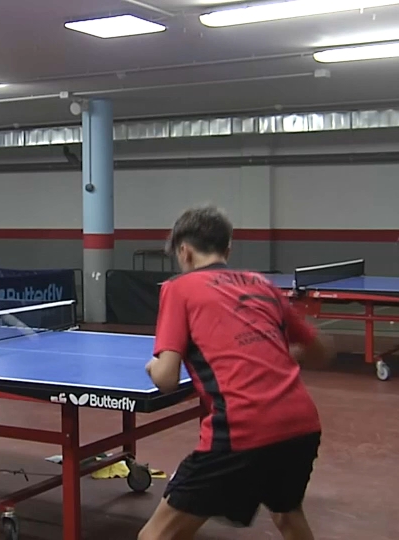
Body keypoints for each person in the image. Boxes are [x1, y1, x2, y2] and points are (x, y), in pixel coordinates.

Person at [139, 203, 332, 540]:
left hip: (242, 429)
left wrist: (152, 366)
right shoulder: (262, 284)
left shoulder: (178, 289)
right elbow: (320, 350)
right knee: (288, 514)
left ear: (183, 252)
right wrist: (265, 354)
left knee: (155, 536)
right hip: (301, 425)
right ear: (228, 249)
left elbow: (167, 379)